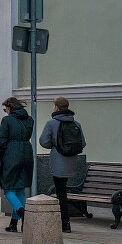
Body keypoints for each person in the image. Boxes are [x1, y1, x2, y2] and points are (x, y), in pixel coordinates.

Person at [39, 96, 86, 233]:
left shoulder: (51, 123)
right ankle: (65, 222)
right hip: (71, 161)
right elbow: (82, 143)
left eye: (54, 106)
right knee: (62, 190)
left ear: (57, 108)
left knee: (60, 192)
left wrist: (54, 145)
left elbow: (43, 141)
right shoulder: (76, 123)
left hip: (58, 160)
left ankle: (65, 223)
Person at [0, 96, 35, 232]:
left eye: (5, 108)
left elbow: (2, 140)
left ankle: (22, 212)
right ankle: (14, 224)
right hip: (27, 152)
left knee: (8, 189)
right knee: (20, 188)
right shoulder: (29, 119)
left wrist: (0, 154)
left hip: (11, 154)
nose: (5, 111)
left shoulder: (7, 120)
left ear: (10, 107)